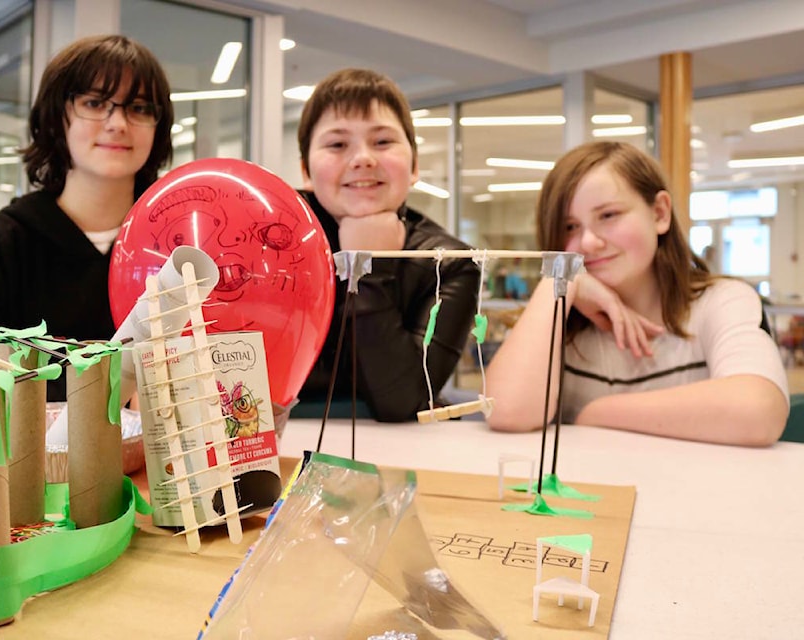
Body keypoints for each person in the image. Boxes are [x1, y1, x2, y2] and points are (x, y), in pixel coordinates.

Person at [486, 141, 788, 446]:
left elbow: (757, 410)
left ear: (659, 213)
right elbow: (506, 412)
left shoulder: (722, 302)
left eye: (608, 215)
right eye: (569, 226)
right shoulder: (558, 318)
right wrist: (563, 281)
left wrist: (598, 413)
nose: (588, 242)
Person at [0, 35, 174, 401]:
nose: (117, 123)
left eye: (140, 108)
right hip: (28, 454)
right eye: (95, 102)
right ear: (57, 117)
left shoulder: (177, 243)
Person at [295, 68, 480, 422]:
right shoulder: (271, 244)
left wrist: (369, 270)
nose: (362, 158)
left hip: (399, 450)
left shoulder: (451, 264)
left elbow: (403, 402)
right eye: (337, 144)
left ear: (414, 166)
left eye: (382, 142)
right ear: (305, 170)